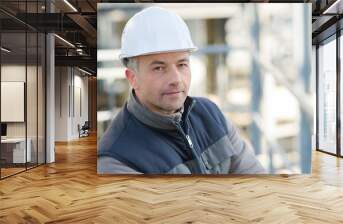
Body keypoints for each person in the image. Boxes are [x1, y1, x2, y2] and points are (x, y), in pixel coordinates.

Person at [98, 6, 266, 174]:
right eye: (159, 68)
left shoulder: (211, 115)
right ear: (133, 78)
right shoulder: (116, 159)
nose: (176, 79)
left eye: (182, 64)